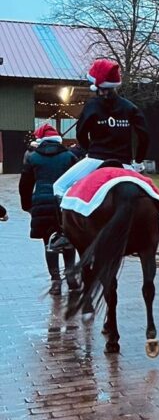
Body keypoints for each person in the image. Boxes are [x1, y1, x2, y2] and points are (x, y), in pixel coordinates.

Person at [52, 59, 150, 200]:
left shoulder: (92, 106)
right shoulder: (130, 108)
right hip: (125, 162)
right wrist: (138, 161)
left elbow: (81, 133)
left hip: (96, 158)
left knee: (59, 187)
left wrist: (89, 151)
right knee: (150, 196)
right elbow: (144, 136)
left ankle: (63, 222)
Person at [19, 124, 81, 294]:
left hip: (42, 203)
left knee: (49, 242)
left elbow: (25, 185)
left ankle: (55, 281)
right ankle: (70, 275)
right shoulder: (69, 156)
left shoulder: (33, 158)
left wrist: (27, 206)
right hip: (64, 204)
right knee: (69, 239)